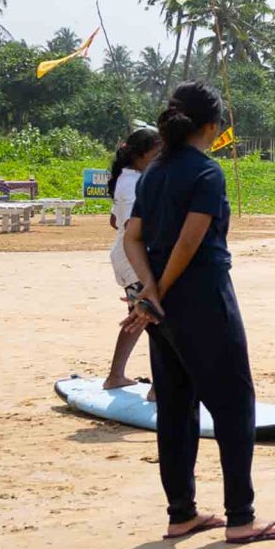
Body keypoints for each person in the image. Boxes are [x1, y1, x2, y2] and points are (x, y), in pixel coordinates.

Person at [122, 81, 275, 544]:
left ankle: (182, 513)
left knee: (176, 408)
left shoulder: (154, 172)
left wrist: (149, 293)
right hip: (203, 298)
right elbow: (191, 241)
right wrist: (161, 289)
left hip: (161, 309)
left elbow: (131, 238)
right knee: (234, 405)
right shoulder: (207, 172)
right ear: (213, 127)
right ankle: (241, 518)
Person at [105, 127, 163, 397]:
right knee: (156, 320)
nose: (161, 158)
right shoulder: (134, 183)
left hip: (127, 255)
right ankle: (158, 387)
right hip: (133, 257)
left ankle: (116, 375)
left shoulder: (129, 179)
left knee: (137, 318)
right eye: (156, 154)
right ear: (139, 157)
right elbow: (129, 226)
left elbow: (114, 220)